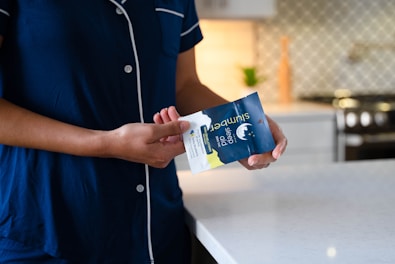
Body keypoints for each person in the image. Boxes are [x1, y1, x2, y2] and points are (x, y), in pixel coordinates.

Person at [0, 0, 287, 263]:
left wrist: (244, 124)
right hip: (43, 231)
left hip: (156, 232)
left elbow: (185, 85)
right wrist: (105, 143)